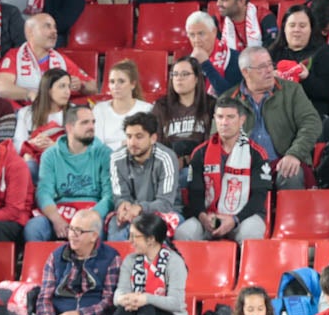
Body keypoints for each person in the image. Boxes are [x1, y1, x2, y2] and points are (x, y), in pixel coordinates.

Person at [14, 211, 119, 315]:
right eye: (71, 229)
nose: (72, 235)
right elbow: (45, 296)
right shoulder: (56, 256)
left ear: (94, 236)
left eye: (79, 231)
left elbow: (108, 302)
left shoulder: (111, 258)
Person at [222, 45, 321, 190]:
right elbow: (218, 137)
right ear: (245, 72)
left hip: (282, 161)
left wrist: (294, 154)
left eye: (270, 64)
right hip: (244, 167)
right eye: (261, 67)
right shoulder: (228, 100)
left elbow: (312, 123)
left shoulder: (291, 90)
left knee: (291, 173)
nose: (269, 71)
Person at [178, 96, 271, 243]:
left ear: (242, 120)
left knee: (250, 234)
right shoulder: (200, 152)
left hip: (244, 217)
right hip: (209, 217)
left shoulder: (257, 153)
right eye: (220, 117)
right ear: (214, 118)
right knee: (184, 233)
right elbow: (195, 193)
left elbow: (259, 196)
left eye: (230, 117)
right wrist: (203, 217)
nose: (224, 122)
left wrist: (234, 219)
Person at [97, 212, 189, 315]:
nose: (130, 240)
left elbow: (176, 303)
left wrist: (146, 298)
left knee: (146, 304)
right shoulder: (130, 260)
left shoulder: (174, 262)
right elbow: (118, 293)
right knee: (126, 306)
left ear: (150, 239)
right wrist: (124, 298)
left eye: (135, 236)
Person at [28, 105, 112, 242]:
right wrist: (56, 220)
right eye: (85, 122)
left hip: (93, 210)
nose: (91, 126)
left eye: (93, 122)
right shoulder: (50, 155)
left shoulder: (104, 153)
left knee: (93, 232)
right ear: (69, 127)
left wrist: (88, 219)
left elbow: (109, 196)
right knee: (33, 228)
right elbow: (44, 192)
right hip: (61, 209)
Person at [107, 112, 181, 241]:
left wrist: (140, 208)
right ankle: (120, 261)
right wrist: (123, 204)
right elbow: (120, 196)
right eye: (129, 136)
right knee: (116, 227)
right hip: (132, 212)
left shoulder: (166, 158)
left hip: (165, 213)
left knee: (153, 230)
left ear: (153, 138)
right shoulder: (116, 158)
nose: (132, 142)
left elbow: (165, 203)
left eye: (139, 137)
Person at [0, 13, 91, 105]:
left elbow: (93, 86)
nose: (54, 31)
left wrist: (82, 86)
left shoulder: (61, 59)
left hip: (54, 114)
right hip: (21, 113)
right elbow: (1, 88)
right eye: (47, 26)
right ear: (30, 32)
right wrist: (31, 95)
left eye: (55, 27)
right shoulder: (14, 56)